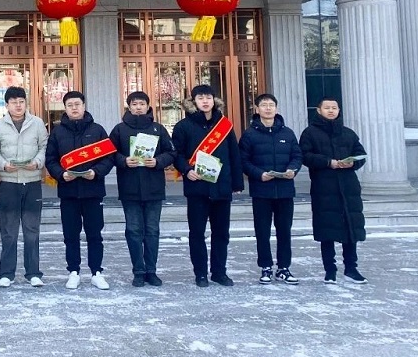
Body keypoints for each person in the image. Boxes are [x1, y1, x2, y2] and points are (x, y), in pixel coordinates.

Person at [172, 85, 244, 288]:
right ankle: (201, 273)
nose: (205, 101)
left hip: (222, 187)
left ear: (214, 100)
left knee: (221, 233)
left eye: (208, 98)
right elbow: (177, 154)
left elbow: (234, 154)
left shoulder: (224, 125)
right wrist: (187, 170)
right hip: (197, 187)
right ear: (193, 101)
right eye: (200, 98)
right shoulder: (183, 126)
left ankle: (219, 272)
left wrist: (237, 183)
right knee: (197, 233)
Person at [45, 91, 115, 290]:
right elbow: (50, 159)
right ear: (65, 108)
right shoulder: (57, 132)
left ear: (84, 106)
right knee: (70, 234)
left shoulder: (97, 130)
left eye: (77, 104)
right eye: (70, 105)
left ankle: (96, 272)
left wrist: (96, 172)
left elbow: (109, 157)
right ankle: (73, 272)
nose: (74, 108)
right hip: (68, 192)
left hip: (93, 190)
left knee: (95, 234)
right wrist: (60, 174)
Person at [298, 97, 369, 284]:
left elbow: (361, 154)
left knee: (350, 228)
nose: (331, 111)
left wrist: (353, 163)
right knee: (327, 230)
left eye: (334, 108)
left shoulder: (348, 133)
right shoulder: (310, 133)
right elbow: (305, 156)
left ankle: (351, 268)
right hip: (324, 187)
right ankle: (330, 270)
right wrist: (328, 162)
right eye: (327, 108)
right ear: (319, 110)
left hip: (348, 187)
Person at [109, 91, 176, 287]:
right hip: (129, 188)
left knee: (152, 231)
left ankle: (151, 271)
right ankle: (138, 271)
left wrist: (158, 161)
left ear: (148, 106)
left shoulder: (158, 129)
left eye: (142, 104)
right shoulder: (120, 129)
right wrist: (123, 160)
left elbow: (171, 152)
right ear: (129, 106)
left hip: (154, 188)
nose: (138, 107)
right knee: (133, 230)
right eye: (134, 104)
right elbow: (109, 153)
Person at [238, 93, 303, 285]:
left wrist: (293, 169)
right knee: (262, 231)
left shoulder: (287, 133)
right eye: (264, 105)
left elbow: (297, 156)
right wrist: (259, 174)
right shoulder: (249, 134)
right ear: (257, 109)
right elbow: (243, 161)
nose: (268, 108)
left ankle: (284, 268)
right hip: (261, 190)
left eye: (271, 105)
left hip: (285, 190)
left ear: (276, 108)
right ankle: (265, 267)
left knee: (284, 231)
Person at [0, 87, 49, 288]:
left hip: (32, 182)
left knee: (32, 229)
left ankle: (33, 272)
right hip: (9, 183)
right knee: (9, 230)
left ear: (26, 103)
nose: (18, 105)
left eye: (21, 101)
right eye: (14, 102)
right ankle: (7, 273)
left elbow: (44, 147)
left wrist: (38, 163)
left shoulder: (37, 123)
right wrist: (3, 165)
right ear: (6, 105)